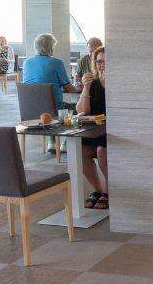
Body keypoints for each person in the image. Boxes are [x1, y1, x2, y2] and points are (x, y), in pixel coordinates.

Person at [74, 46, 108, 209]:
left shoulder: (120, 84)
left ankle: (109, 190)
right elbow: (81, 110)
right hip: (95, 131)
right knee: (80, 151)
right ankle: (97, 189)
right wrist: (86, 88)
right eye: (99, 61)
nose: (102, 65)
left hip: (113, 132)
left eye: (106, 62)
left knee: (102, 150)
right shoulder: (93, 83)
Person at [22, 33, 79, 109]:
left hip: (30, 108)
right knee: (82, 107)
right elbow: (69, 89)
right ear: (51, 48)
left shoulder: (26, 63)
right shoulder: (57, 63)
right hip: (54, 108)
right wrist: (80, 88)